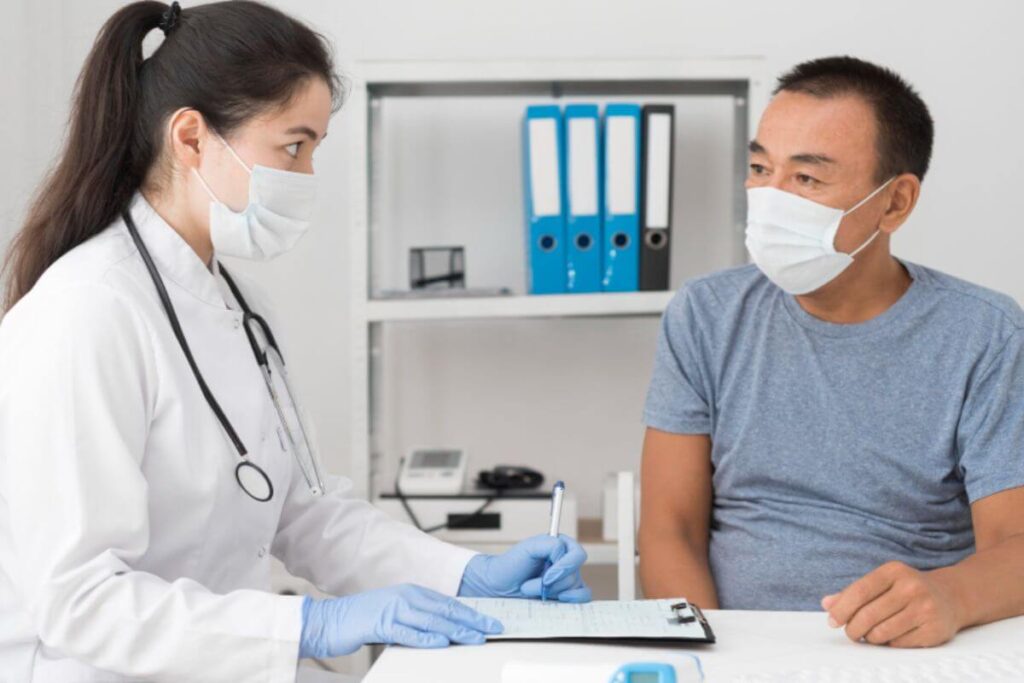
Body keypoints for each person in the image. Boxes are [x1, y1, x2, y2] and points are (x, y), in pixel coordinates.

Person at [0, 2, 589, 681]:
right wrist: (313, 622)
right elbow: (80, 602)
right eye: (293, 146)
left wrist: (469, 573)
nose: (306, 177)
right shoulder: (85, 311)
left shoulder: (243, 308)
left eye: (314, 149)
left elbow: (303, 512)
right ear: (191, 138)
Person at [638, 55, 1024, 648]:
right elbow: (670, 530)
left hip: (906, 650)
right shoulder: (705, 314)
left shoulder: (986, 334)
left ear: (895, 203)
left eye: (806, 179)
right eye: (760, 167)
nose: (769, 199)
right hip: (736, 645)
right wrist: (709, 651)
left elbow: (1014, 546)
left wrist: (952, 596)